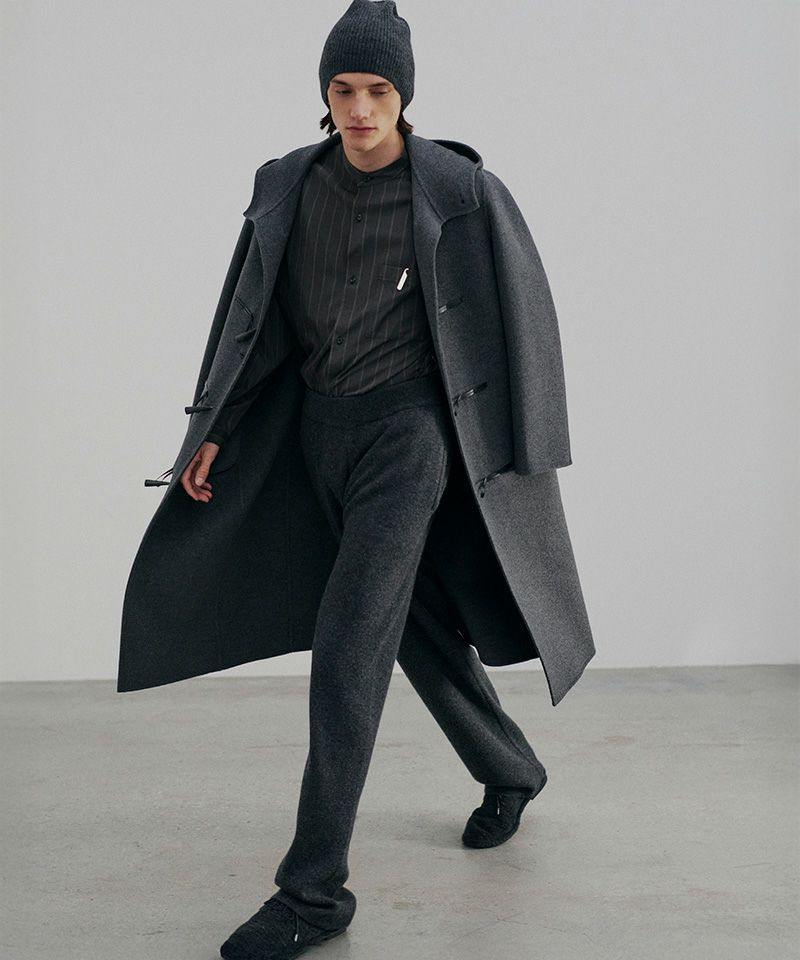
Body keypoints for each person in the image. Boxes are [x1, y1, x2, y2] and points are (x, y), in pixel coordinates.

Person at [153, 2, 582, 957]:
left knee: (348, 648)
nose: (359, 108)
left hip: (409, 441)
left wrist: (530, 448)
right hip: (318, 436)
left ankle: (313, 893)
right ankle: (511, 766)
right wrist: (215, 429)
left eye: (378, 90)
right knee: (410, 623)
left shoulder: (459, 189)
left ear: (405, 96)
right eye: (343, 89)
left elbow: (526, 315)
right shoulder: (286, 185)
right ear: (324, 93)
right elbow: (255, 319)